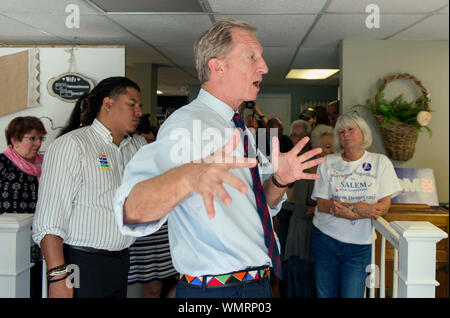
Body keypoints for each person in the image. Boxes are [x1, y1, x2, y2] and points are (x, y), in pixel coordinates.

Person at [114, 19, 324, 298]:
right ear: (217, 67)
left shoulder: (242, 130)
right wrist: (191, 175)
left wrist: (279, 180)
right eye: (252, 57)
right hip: (219, 291)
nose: (264, 66)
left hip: (255, 285)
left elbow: (259, 205)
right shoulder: (187, 124)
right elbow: (131, 209)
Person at [32, 76, 147, 298]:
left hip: (121, 260)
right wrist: (57, 276)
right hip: (81, 262)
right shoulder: (72, 145)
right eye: (132, 104)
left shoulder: (136, 147)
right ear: (108, 104)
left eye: (140, 106)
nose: (139, 112)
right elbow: (49, 219)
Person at [310, 111, 402, 298]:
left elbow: (384, 206)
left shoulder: (379, 162)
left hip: (359, 245)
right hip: (325, 239)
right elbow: (321, 204)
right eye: (341, 132)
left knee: (353, 294)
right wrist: (354, 208)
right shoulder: (328, 162)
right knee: (324, 294)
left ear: (363, 133)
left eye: (351, 129)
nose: (345, 134)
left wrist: (353, 211)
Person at [128, 114, 178, 298]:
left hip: (163, 228)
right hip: (142, 231)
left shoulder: (162, 154)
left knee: (165, 284)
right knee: (151, 288)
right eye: (143, 133)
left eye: (149, 133)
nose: (148, 137)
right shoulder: (128, 155)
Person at [284, 124, 334, 298]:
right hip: (302, 236)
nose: (330, 151)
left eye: (332, 147)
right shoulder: (304, 174)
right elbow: (300, 211)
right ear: (315, 148)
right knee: (302, 286)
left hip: (323, 237)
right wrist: (328, 207)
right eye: (326, 147)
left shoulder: (332, 173)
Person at [1, 116, 47, 298]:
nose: (38, 143)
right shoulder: (2, 164)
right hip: (8, 241)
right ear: (14, 140)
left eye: (41, 138)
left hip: (37, 241)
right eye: (32, 138)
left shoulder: (45, 164)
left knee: (35, 286)